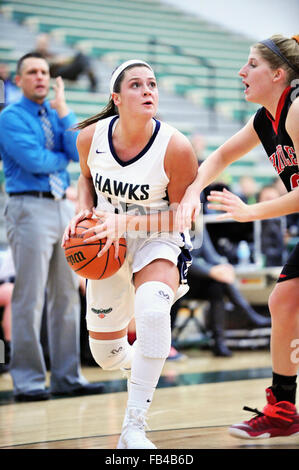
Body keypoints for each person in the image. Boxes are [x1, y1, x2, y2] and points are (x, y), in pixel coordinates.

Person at [62, 59, 198, 449]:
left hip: (158, 237)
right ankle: (144, 358)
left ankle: (133, 428)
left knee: (154, 314)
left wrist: (128, 224)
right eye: (136, 85)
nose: (148, 91)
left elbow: (182, 215)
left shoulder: (176, 146)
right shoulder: (90, 137)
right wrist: (81, 212)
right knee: (106, 356)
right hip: (105, 239)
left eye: (152, 84)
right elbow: (85, 179)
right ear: (116, 97)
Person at [176, 34, 299, 439]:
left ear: (278, 74)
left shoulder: (297, 107)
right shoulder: (267, 118)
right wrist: (193, 192)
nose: (241, 72)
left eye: (251, 65)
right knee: (284, 300)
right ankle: (282, 409)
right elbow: (222, 156)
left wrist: (252, 211)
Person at [0, 52, 105, 401]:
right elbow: (35, 160)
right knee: (28, 298)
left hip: (63, 209)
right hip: (28, 206)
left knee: (66, 297)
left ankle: (67, 377)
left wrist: (64, 110)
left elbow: (80, 153)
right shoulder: (9, 117)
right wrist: (62, 157)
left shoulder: (54, 114)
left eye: (45, 72)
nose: (40, 77)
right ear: (19, 80)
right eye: (32, 72)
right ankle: (29, 381)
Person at [171, 227, 271, 357]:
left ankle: (219, 343)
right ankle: (248, 315)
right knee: (217, 280)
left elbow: (211, 256)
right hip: (177, 281)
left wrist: (224, 266)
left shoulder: (197, 227)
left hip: (194, 282)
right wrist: (211, 271)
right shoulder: (173, 227)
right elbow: (180, 260)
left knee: (218, 286)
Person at [34, 34, 98, 92]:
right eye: (42, 43)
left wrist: (64, 60)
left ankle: (90, 72)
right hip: (55, 74)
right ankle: (91, 76)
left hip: (64, 72)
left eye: (45, 43)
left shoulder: (49, 54)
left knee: (81, 56)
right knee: (80, 58)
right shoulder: (33, 55)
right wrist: (55, 61)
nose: (43, 45)